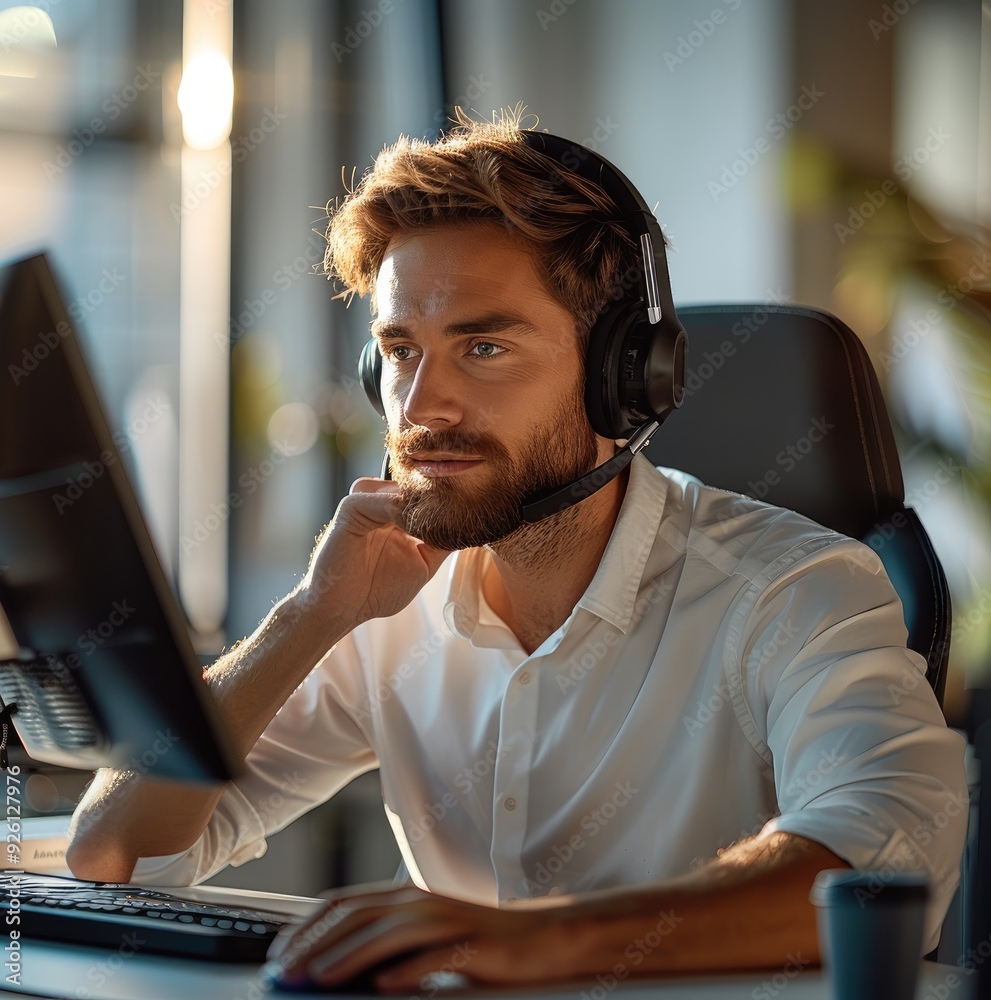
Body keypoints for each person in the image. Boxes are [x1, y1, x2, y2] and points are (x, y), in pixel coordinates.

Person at [67, 110, 968, 992]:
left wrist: (522, 942)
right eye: (399, 352)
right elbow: (115, 850)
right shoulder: (382, 598)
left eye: (485, 346)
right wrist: (308, 618)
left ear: (625, 378)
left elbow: (882, 864)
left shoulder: (794, 588)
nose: (422, 409)